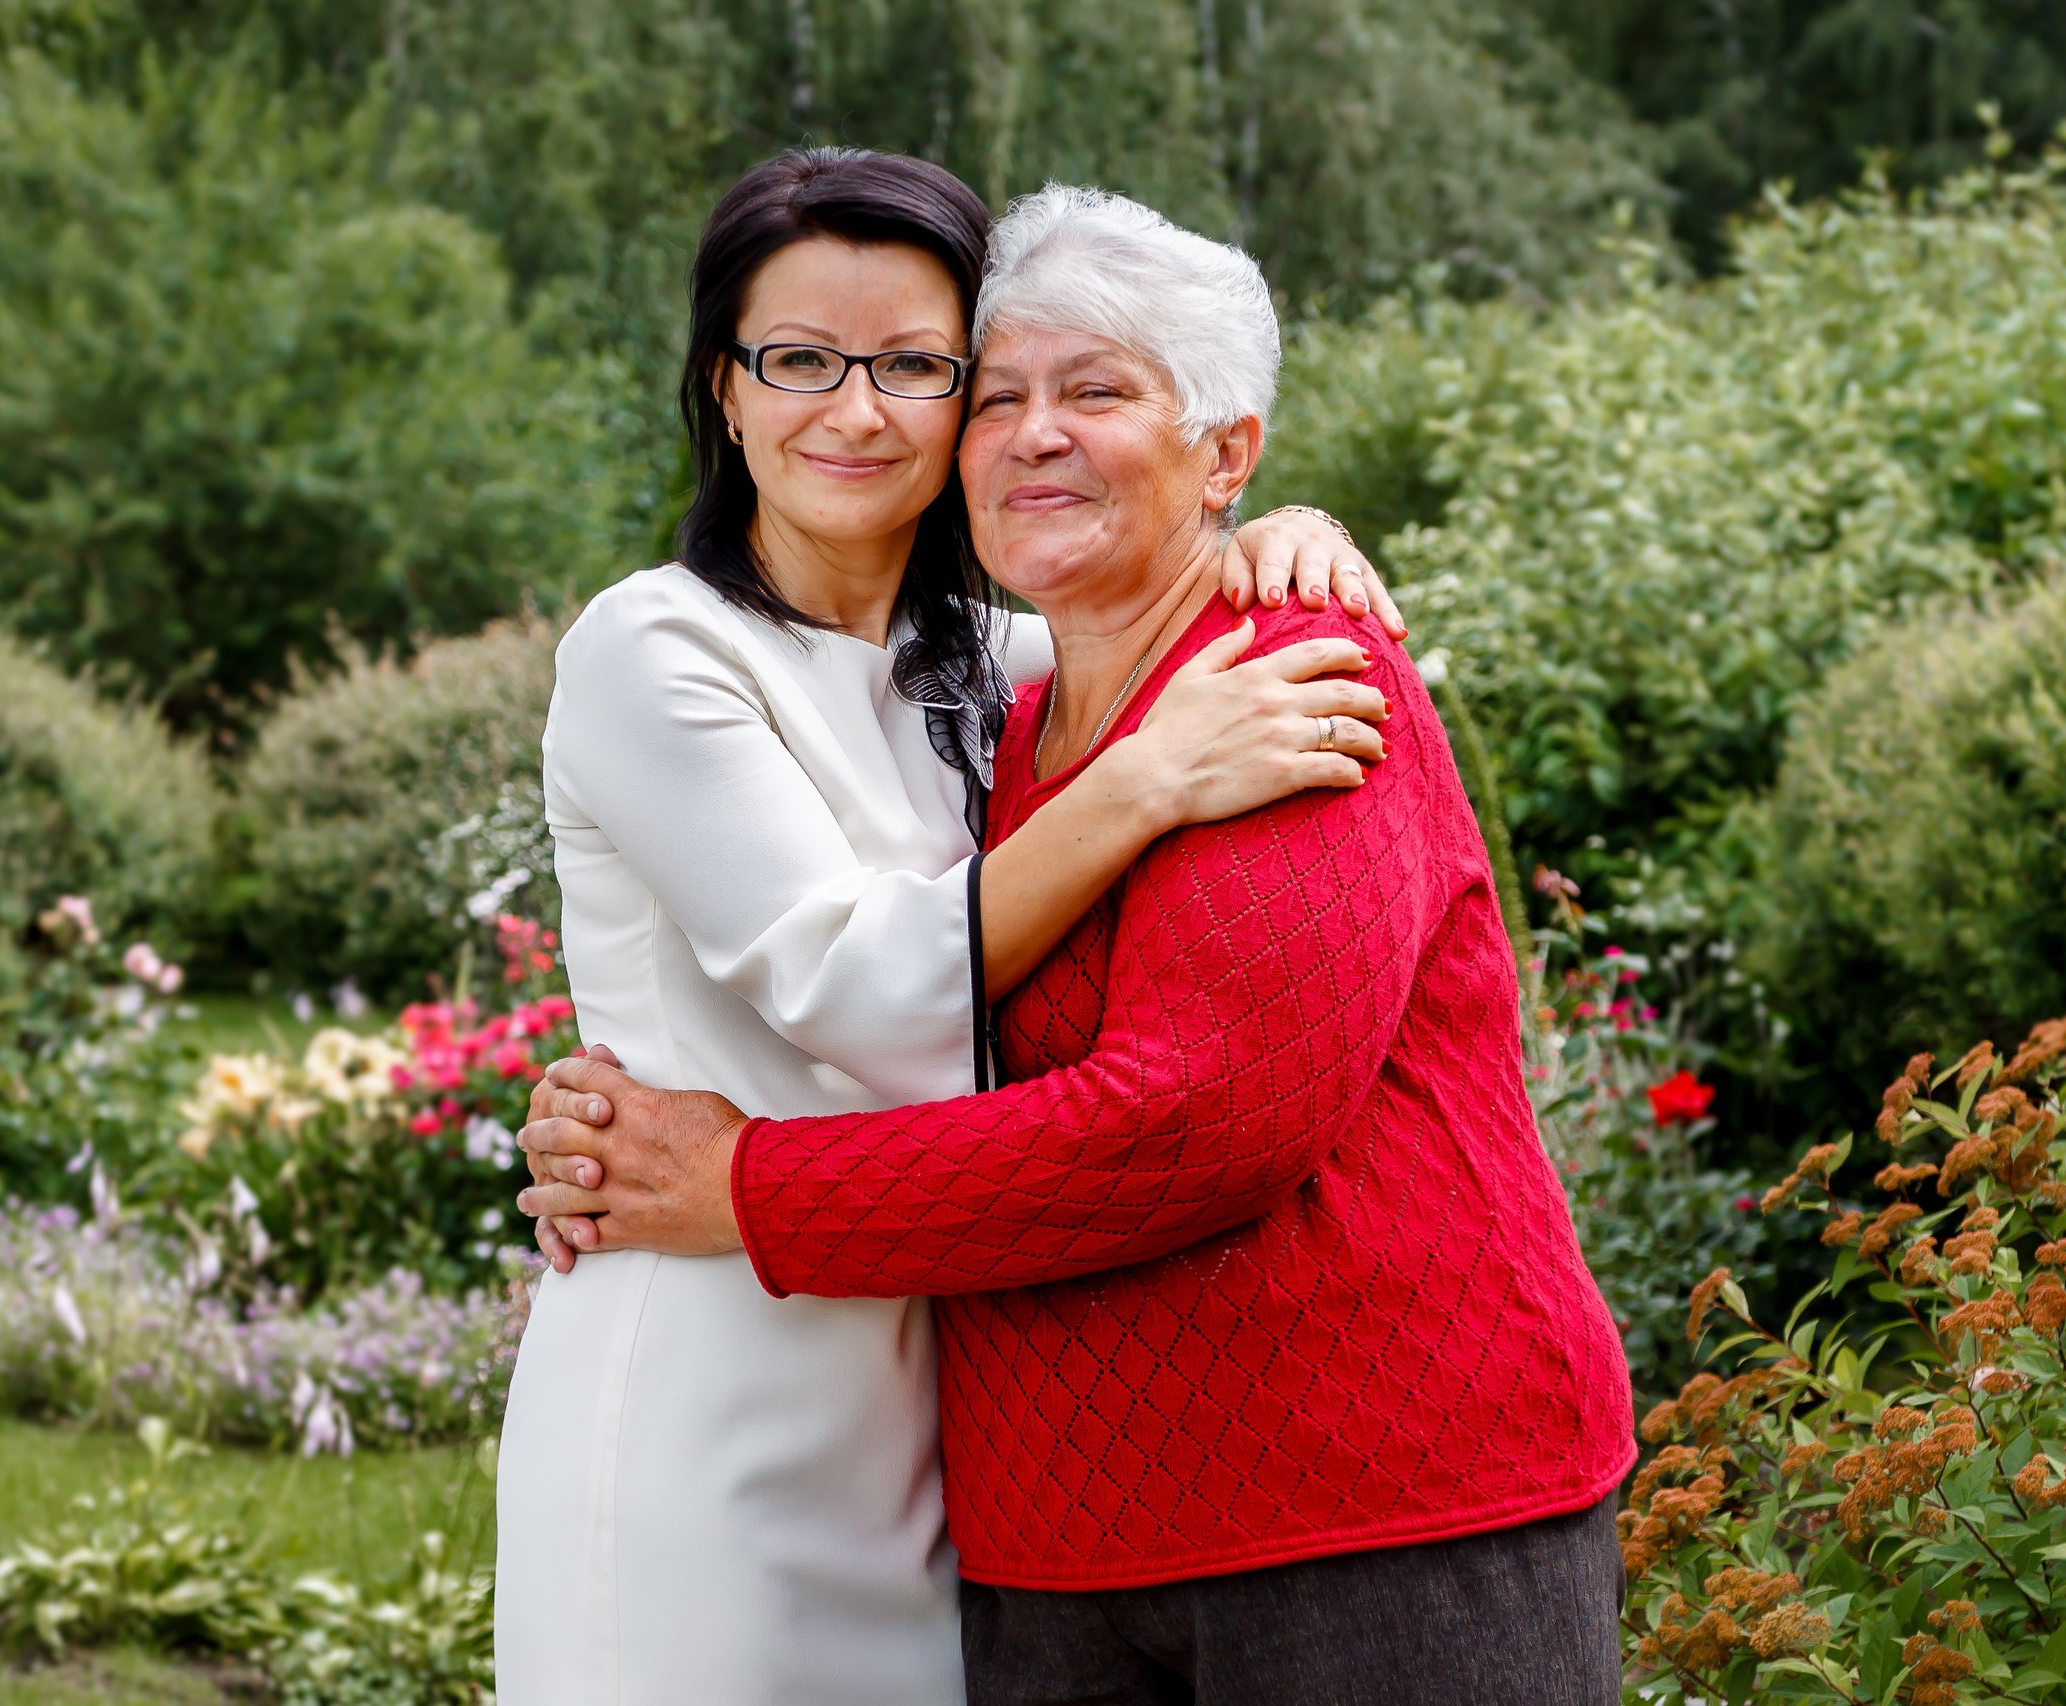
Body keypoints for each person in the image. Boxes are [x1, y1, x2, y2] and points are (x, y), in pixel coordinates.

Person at [517, 185, 1638, 1706]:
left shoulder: (1053, 667)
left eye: (918, 367)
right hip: (744, 1366)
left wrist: (1278, 532)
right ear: (722, 384)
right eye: (797, 358)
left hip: (1005, 1426)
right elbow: (851, 975)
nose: (864, 407)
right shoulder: (672, 649)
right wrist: (1152, 773)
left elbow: (1197, 1114)